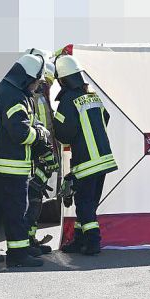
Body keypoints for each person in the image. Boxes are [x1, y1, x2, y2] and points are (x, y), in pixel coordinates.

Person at [0, 54, 48, 268]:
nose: (36, 86)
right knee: (17, 213)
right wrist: (40, 135)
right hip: (12, 167)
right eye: (36, 81)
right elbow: (20, 133)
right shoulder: (15, 96)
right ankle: (18, 255)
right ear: (27, 78)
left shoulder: (2, 90)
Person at [53, 55, 118, 255]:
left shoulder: (67, 100)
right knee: (89, 204)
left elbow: (64, 132)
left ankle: (92, 242)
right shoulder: (93, 96)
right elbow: (105, 117)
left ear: (62, 79)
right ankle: (79, 240)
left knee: (84, 204)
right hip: (104, 161)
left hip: (87, 162)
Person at [24, 49, 59, 254]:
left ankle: (30, 238)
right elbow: (41, 128)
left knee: (35, 199)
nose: (47, 86)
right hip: (37, 158)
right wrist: (47, 154)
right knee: (33, 199)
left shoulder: (38, 98)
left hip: (40, 157)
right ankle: (28, 240)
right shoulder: (36, 100)